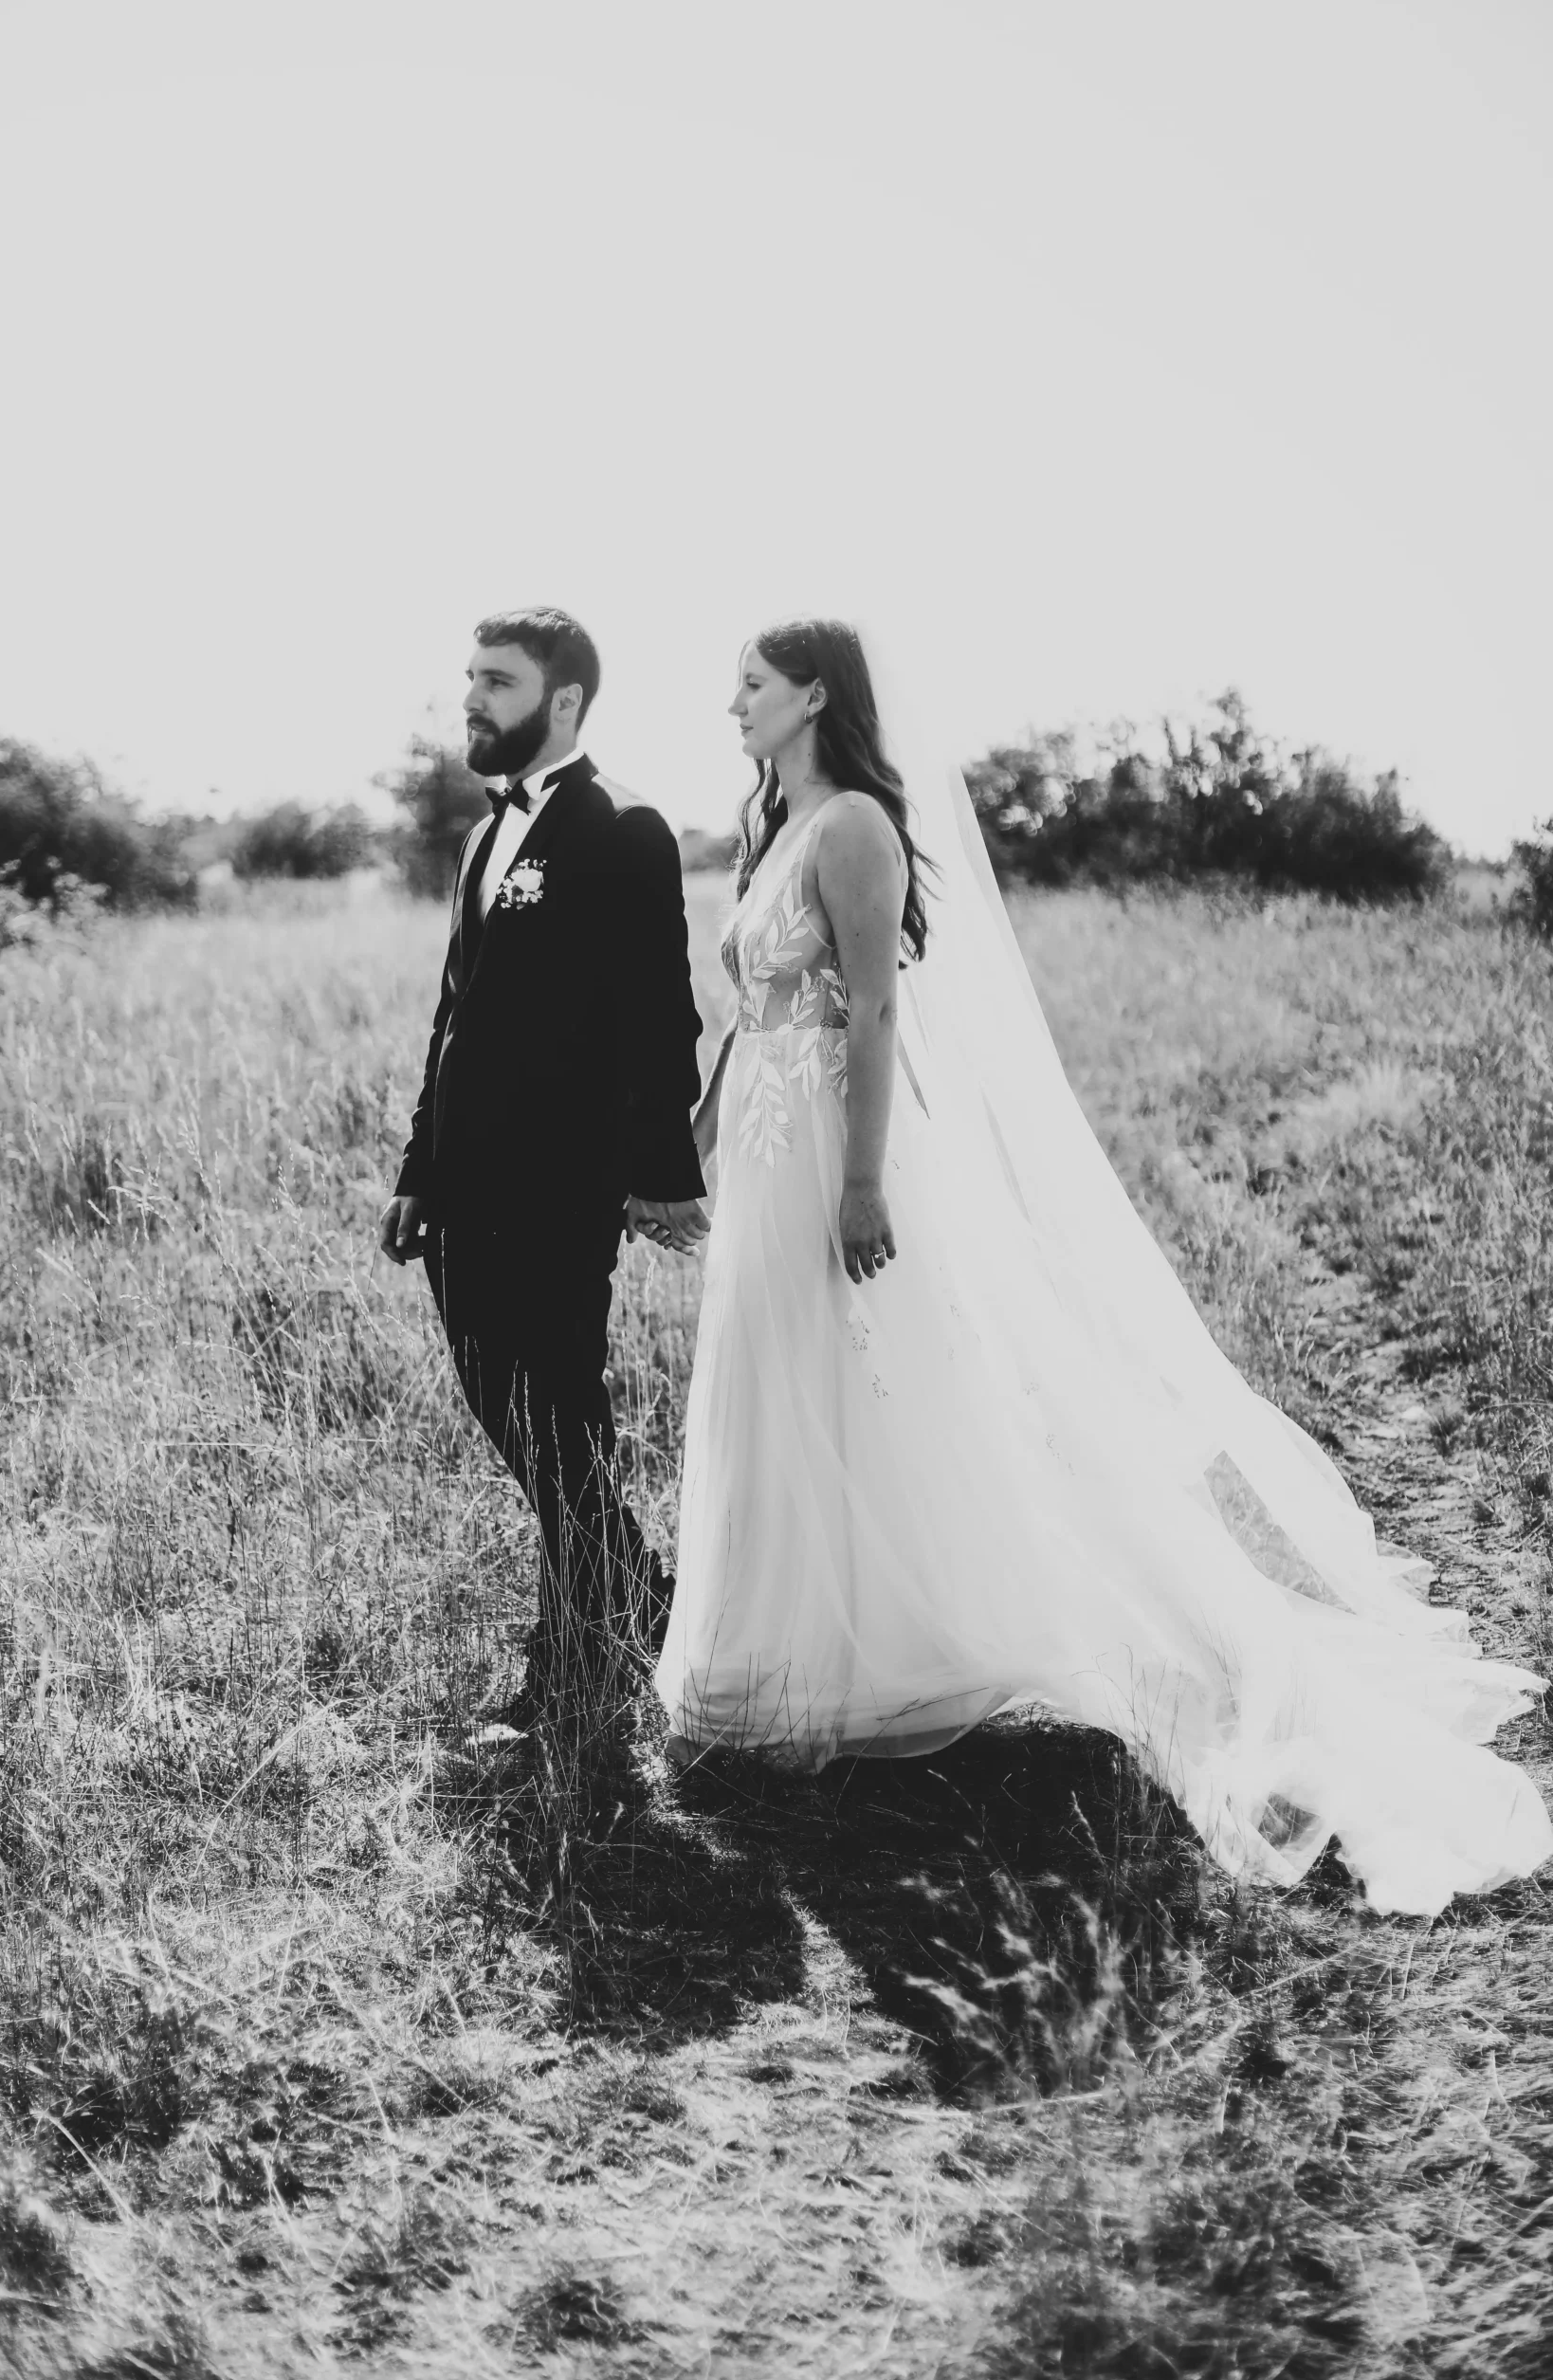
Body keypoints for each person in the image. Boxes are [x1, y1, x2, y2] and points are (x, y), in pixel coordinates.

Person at [654, 616, 1553, 1917]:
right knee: (769, 1376)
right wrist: (694, 1139)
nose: (728, 701)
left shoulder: (852, 825)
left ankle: (886, 1661)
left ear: (810, 695)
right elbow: (755, 1014)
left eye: (748, 683)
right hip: (760, 1139)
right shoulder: (768, 827)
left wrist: (855, 1184)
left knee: (855, 1376)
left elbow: (877, 1009)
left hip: (834, 1147)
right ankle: (777, 1651)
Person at [380, 607, 708, 1712]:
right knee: (508, 1405)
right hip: (464, 1181)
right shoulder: (484, 836)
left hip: (561, 1187)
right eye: (471, 677)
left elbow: (663, 1014)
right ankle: (634, 1597)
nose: (473, 697)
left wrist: (661, 1170)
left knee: (555, 1412)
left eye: (498, 681)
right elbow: (451, 1016)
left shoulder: (625, 828)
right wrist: (418, 1167)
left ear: (562, 700)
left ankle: (577, 1656)